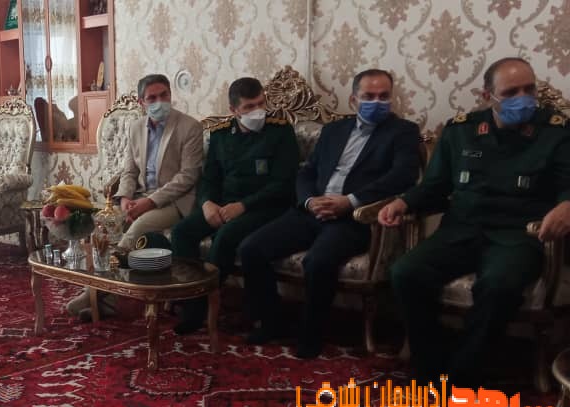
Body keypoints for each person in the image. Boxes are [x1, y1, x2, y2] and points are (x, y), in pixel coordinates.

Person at [380, 57, 570, 385]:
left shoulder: (556, 132)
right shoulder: (461, 130)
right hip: (461, 230)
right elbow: (435, 186)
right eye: (511, 92)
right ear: (487, 96)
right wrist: (403, 202)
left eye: (529, 90)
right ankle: (429, 363)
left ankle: (462, 375)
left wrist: (567, 204)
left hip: (518, 236)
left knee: (497, 286)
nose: (523, 98)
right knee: (405, 272)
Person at [238, 68, 420, 358]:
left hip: (355, 218)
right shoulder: (334, 130)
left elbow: (402, 177)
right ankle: (272, 322)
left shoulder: (404, 132)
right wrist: (309, 201)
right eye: (369, 96)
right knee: (251, 248)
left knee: (318, 261)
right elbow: (307, 171)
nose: (377, 102)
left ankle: (310, 335)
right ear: (354, 100)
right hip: (312, 210)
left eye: (383, 96)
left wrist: (350, 201)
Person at [65, 73, 204, 318]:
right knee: (106, 227)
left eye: (164, 95)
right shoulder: (136, 127)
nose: (159, 101)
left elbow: (188, 176)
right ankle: (107, 302)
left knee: (136, 229)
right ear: (141, 102)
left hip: (174, 201)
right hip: (139, 197)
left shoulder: (189, 127)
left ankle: (94, 293)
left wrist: (149, 202)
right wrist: (125, 199)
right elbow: (129, 171)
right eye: (152, 98)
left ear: (170, 95)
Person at [170, 78, 300, 335]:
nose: (258, 111)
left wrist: (243, 205)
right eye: (249, 107)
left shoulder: (280, 131)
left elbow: (283, 184)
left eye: (261, 103)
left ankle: (203, 306)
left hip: (264, 207)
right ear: (233, 110)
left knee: (226, 237)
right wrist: (207, 203)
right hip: (223, 205)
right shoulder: (220, 134)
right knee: (182, 232)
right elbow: (210, 178)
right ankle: (189, 302)